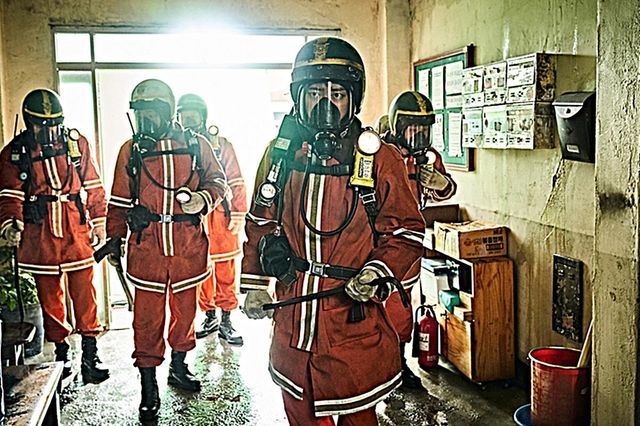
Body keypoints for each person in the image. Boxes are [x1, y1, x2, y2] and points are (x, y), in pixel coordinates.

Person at [240, 37, 425, 425]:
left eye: (337, 93)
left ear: (353, 99)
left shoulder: (379, 158)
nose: (325, 104)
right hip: (294, 316)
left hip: (352, 317)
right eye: (314, 93)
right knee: (301, 413)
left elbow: (406, 231)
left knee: (357, 415)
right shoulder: (280, 154)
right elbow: (260, 220)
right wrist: (255, 284)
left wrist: (377, 272)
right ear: (298, 97)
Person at [105, 79, 227, 422]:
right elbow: (118, 202)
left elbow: (218, 181)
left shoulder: (195, 144)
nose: (146, 120)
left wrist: (203, 199)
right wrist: (115, 238)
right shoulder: (131, 151)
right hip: (147, 250)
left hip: (188, 247)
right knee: (146, 321)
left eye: (152, 113)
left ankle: (179, 365)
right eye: (140, 113)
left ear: (168, 111)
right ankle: (148, 386)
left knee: (185, 314)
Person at [0, 88, 109, 384]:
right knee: (50, 298)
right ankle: (62, 353)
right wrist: (11, 224)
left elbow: (94, 187)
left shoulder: (76, 144)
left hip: (75, 228)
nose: (48, 131)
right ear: (29, 122)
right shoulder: (15, 152)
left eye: (53, 124)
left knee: (85, 294)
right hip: (40, 233)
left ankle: (90, 353)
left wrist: (100, 223)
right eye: (40, 125)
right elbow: (10, 195)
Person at [381, 90, 457, 389]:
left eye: (425, 129)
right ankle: (382, 367)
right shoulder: (379, 153)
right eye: (413, 128)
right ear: (398, 126)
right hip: (381, 244)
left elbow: (445, 192)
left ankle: (399, 364)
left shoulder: (428, 157)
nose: (419, 136)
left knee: (402, 309)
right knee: (380, 311)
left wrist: (440, 182)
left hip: (412, 246)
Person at [177, 93, 247, 346]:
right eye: (184, 115)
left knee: (225, 269)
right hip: (191, 219)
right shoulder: (175, 145)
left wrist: (238, 212)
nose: (189, 120)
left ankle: (227, 318)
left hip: (220, 216)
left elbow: (235, 179)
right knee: (200, 270)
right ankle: (209, 316)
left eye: (193, 115)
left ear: (202, 116)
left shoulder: (221, 145)